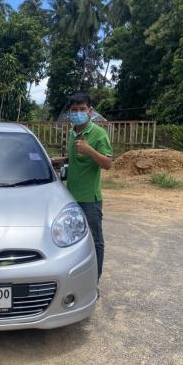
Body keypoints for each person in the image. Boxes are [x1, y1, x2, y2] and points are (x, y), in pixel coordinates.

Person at [66, 92, 113, 282]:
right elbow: (77, 159)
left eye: (82, 109)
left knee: (95, 241)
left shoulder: (98, 133)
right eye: (74, 110)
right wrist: (60, 160)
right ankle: (78, 280)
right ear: (70, 112)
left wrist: (89, 149)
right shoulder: (73, 132)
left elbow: (107, 163)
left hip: (89, 201)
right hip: (71, 198)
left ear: (90, 111)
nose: (78, 113)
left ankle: (94, 281)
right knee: (73, 241)